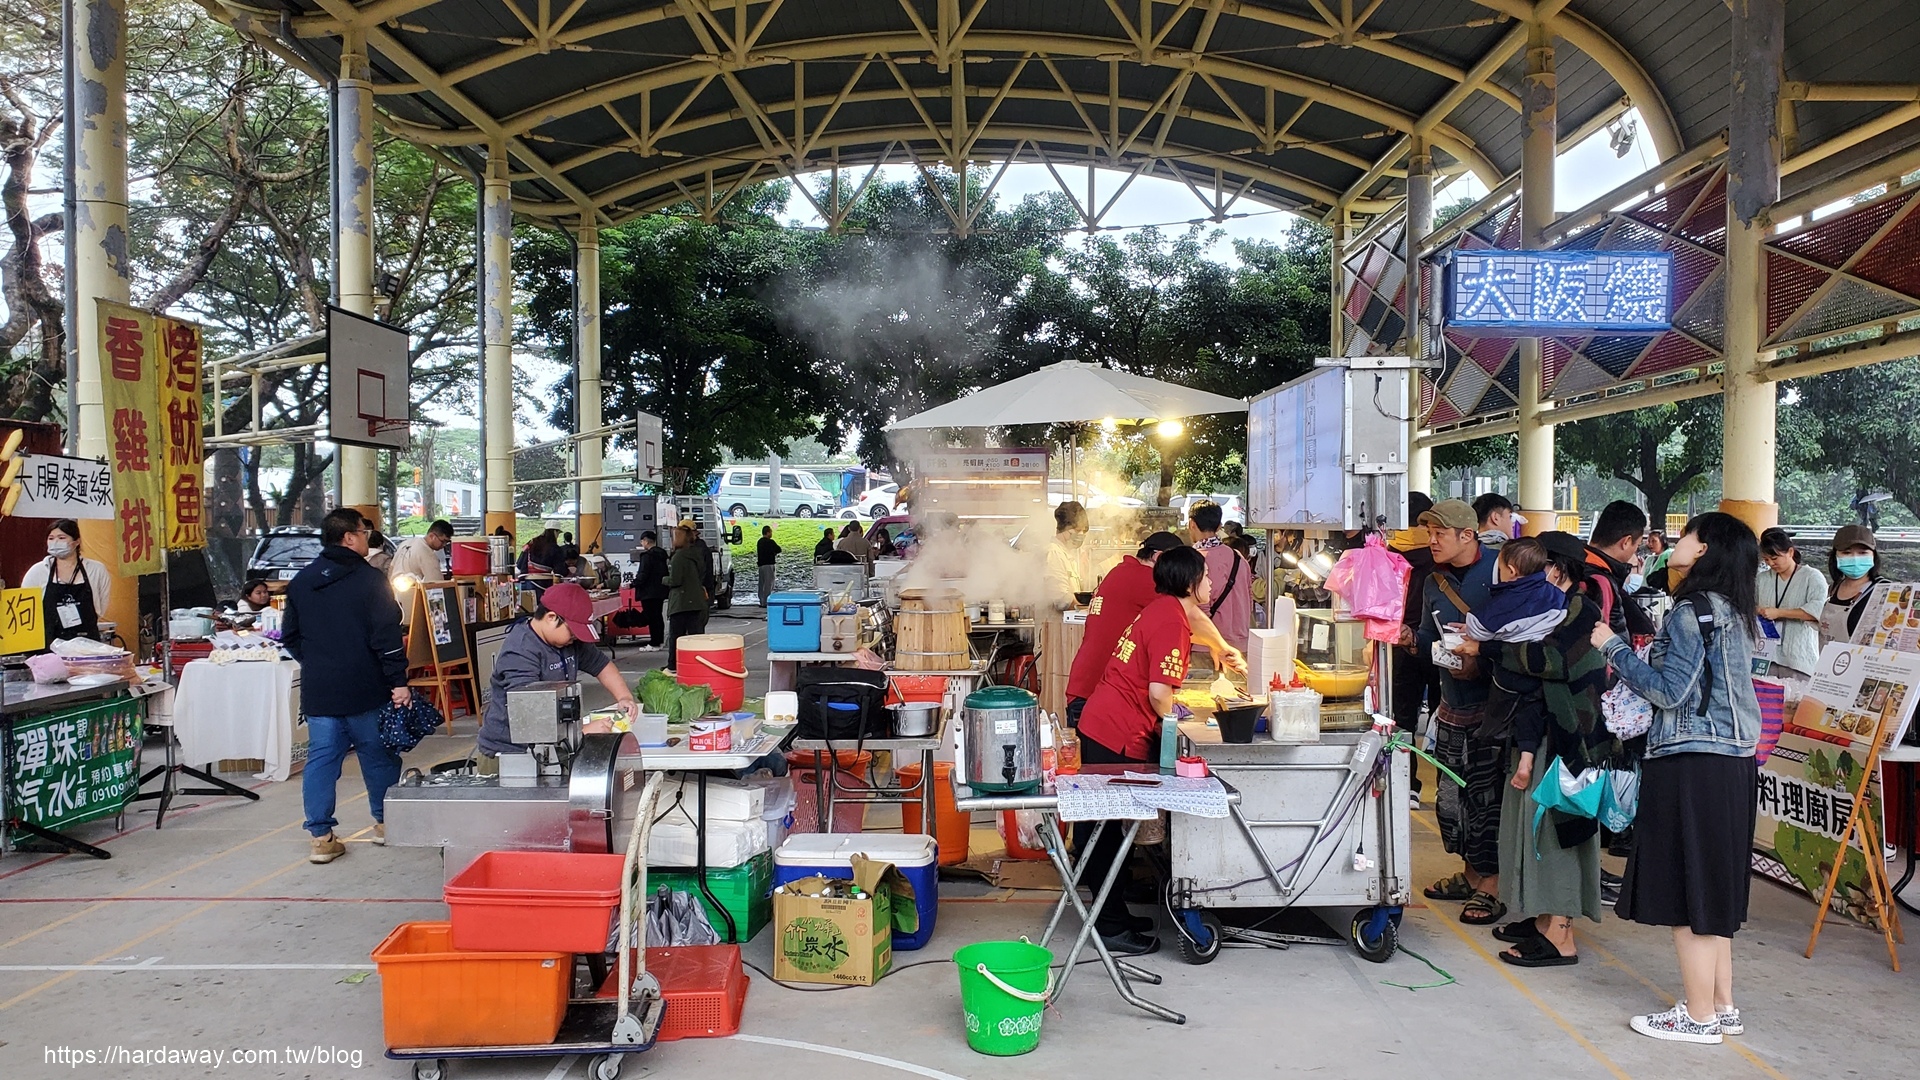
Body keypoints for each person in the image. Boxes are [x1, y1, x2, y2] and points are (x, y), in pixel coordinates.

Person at [1592, 513, 1761, 1044]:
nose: (1675, 543)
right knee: (1714, 886)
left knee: (1690, 890)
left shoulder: (1691, 611)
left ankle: (1698, 1017)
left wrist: (1612, 647)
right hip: (1734, 763)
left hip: (1691, 762)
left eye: (1687, 535)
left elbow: (1669, 691)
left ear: (1704, 547)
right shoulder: (1735, 610)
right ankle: (1722, 1005)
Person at [1453, 535, 1616, 967]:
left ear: (1557, 570)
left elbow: (1548, 662)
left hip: (1569, 741)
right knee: (1529, 827)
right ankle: (1545, 917)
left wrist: (1486, 646)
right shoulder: (1546, 607)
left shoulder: (1582, 612)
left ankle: (1561, 935)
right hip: (1539, 733)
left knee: (1558, 832)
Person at [1073, 546, 1212, 955]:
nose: (1211, 583)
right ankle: (1111, 926)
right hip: (1117, 732)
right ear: (1190, 583)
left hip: (1104, 722)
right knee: (1102, 831)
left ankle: (1110, 913)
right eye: (1206, 576)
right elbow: (1156, 692)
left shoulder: (1164, 608)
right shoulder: (1170, 618)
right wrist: (1175, 717)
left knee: (1102, 827)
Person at [281, 508, 410, 864]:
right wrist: (398, 680)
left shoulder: (303, 581)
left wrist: (319, 662)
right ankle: (385, 825)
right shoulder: (369, 581)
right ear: (349, 537)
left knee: (321, 760)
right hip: (367, 686)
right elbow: (387, 636)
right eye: (364, 531)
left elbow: (289, 635)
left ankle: (321, 837)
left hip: (320, 689)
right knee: (378, 755)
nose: (369, 537)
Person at [1411, 499, 1504, 925]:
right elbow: (1428, 641)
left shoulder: (1501, 573)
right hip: (1450, 707)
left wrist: (1480, 654)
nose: (1431, 541)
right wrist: (1408, 638)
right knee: (1452, 802)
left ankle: (1491, 887)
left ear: (1467, 535)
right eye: (1429, 533)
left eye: (1440, 533)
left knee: (1488, 802)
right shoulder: (1433, 581)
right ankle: (1469, 875)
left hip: (1494, 710)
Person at [1063, 532, 1245, 725]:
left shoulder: (1121, 572)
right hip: (1097, 695)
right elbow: (1191, 615)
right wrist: (1221, 646)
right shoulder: (1144, 578)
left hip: (1090, 690)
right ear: (1159, 559)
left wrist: (1215, 645)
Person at [476, 582, 639, 765]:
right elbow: (528, 713)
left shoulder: (570, 643)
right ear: (551, 617)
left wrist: (624, 697)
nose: (575, 638)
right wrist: (582, 732)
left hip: (550, 748)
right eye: (572, 632)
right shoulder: (520, 651)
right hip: (509, 754)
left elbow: (602, 666)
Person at [1390, 493, 1439, 808]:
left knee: (1401, 718)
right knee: (1441, 716)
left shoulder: (1389, 549)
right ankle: (1447, 784)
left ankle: (1407, 783)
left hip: (1398, 640)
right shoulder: (1440, 552)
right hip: (1436, 643)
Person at [21, 519, 111, 643]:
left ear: (76, 542)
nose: (55, 542)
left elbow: (101, 605)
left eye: (61, 538)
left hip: (86, 643)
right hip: (48, 645)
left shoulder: (96, 570)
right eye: (51, 538)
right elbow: (26, 609)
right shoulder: (37, 572)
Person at [1756, 527, 1826, 679]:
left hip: (1799, 657)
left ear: (1790, 552)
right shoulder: (1762, 579)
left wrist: (1779, 613)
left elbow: (1819, 611)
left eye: (1775, 558)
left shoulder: (1812, 577)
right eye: (1766, 560)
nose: (1771, 564)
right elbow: (1750, 605)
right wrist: (1758, 610)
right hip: (1767, 655)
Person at [1187, 499, 1252, 656]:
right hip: (1240, 646)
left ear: (1191, 524)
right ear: (1218, 526)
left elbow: (1198, 610)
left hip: (1207, 648)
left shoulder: (1193, 561)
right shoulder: (1238, 558)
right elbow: (1249, 599)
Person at [1583, 501, 1655, 637]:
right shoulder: (1600, 581)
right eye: (1637, 545)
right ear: (1626, 542)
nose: (1635, 551)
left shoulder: (1576, 565)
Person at [1820, 523, 1882, 646]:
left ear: (1873, 556)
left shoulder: (1884, 590)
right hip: (1827, 662)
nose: (1855, 558)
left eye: (1863, 553)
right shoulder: (1832, 589)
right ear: (1835, 556)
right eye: (1847, 553)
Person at [664, 523, 710, 670]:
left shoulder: (678, 557)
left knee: (676, 637)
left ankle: (673, 665)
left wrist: (663, 579)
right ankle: (699, 665)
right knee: (696, 636)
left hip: (681, 603)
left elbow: (675, 580)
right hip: (696, 600)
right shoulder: (697, 555)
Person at [1045, 500, 1093, 604]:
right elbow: (1061, 598)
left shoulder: (1067, 555)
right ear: (1063, 528)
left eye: (1084, 531)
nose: (1081, 534)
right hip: (1055, 619)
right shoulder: (1054, 553)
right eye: (1077, 530)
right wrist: (1083, 608)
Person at [630, 530, 669, 650]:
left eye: (642, 541)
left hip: (648, 591)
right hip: (660, 590)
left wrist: (633, 584)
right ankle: (659, 641)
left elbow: (643, 574)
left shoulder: (647, 556)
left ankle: (654, 643)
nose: (642, 543)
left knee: (651, 617)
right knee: (657, 616)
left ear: (646, 541)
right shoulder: (662, 555)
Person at [390, 519, 453, 585]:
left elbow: (391, 568)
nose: (444, 545)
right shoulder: (426, 552)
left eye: (447, 542)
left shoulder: (404, 543)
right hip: (413, 592)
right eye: (443, 541)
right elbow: (436, 583)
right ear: (432, 536)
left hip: (394, 590)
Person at [756, 525, 781, 605]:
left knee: (762, 583)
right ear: (767, 532)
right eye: (770, 532)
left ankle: (761, 600)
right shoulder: (771, 542)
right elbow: (779, 549)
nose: (771, 533)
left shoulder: (759, 542)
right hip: (769, 564)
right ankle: (767, 601)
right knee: (768, 583)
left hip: (761, 565)